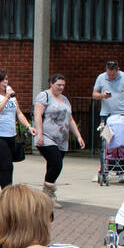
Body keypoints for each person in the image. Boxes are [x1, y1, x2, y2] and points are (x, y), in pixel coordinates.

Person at [0, 69, 35, 208]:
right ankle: (8, 201)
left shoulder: (12, 97)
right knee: (6, 166)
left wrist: (28, 126)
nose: (6, 82)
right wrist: (6, 98)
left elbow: (18, 113)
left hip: (9, 137)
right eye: (2, 80)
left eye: (6, 79)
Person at [33, 73, 85, 208]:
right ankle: (48, 192)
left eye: (63, 85)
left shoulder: (65, 99)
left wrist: (78, 136)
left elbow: (70, 119)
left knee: (53, 165)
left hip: (62, 139)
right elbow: (38, 115)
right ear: (51, 83)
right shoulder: (44, 96)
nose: (61, 88)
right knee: (56, 164)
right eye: (58, 85)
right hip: (47, 137)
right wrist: (39, 134)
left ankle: (46, 197)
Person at [92, 59, 124, 127]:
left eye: (113, 75)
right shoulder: (101, 77)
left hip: (122, 114)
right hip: (106, 114)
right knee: (106, 137)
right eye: (109, 75)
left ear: (117, 70)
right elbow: (94, 95)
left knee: (121, 136)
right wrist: (103, 96)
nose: (111, 77)